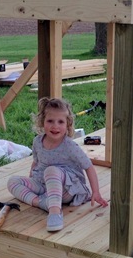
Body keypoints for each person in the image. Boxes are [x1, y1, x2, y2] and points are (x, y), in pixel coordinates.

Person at [7, 97, 109, 232]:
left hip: (68, 190)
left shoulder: (69, 146)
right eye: (50, 121)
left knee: (51, 170)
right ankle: (42, 203)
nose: (55, 126)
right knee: (12, 181)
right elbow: (36, 162)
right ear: (42, 122)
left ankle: (55, 212)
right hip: (44, 185)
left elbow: (88, 166)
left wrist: (96, 192)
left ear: (67, 124)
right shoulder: (37, 141)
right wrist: (31, 180)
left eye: (60, 122)